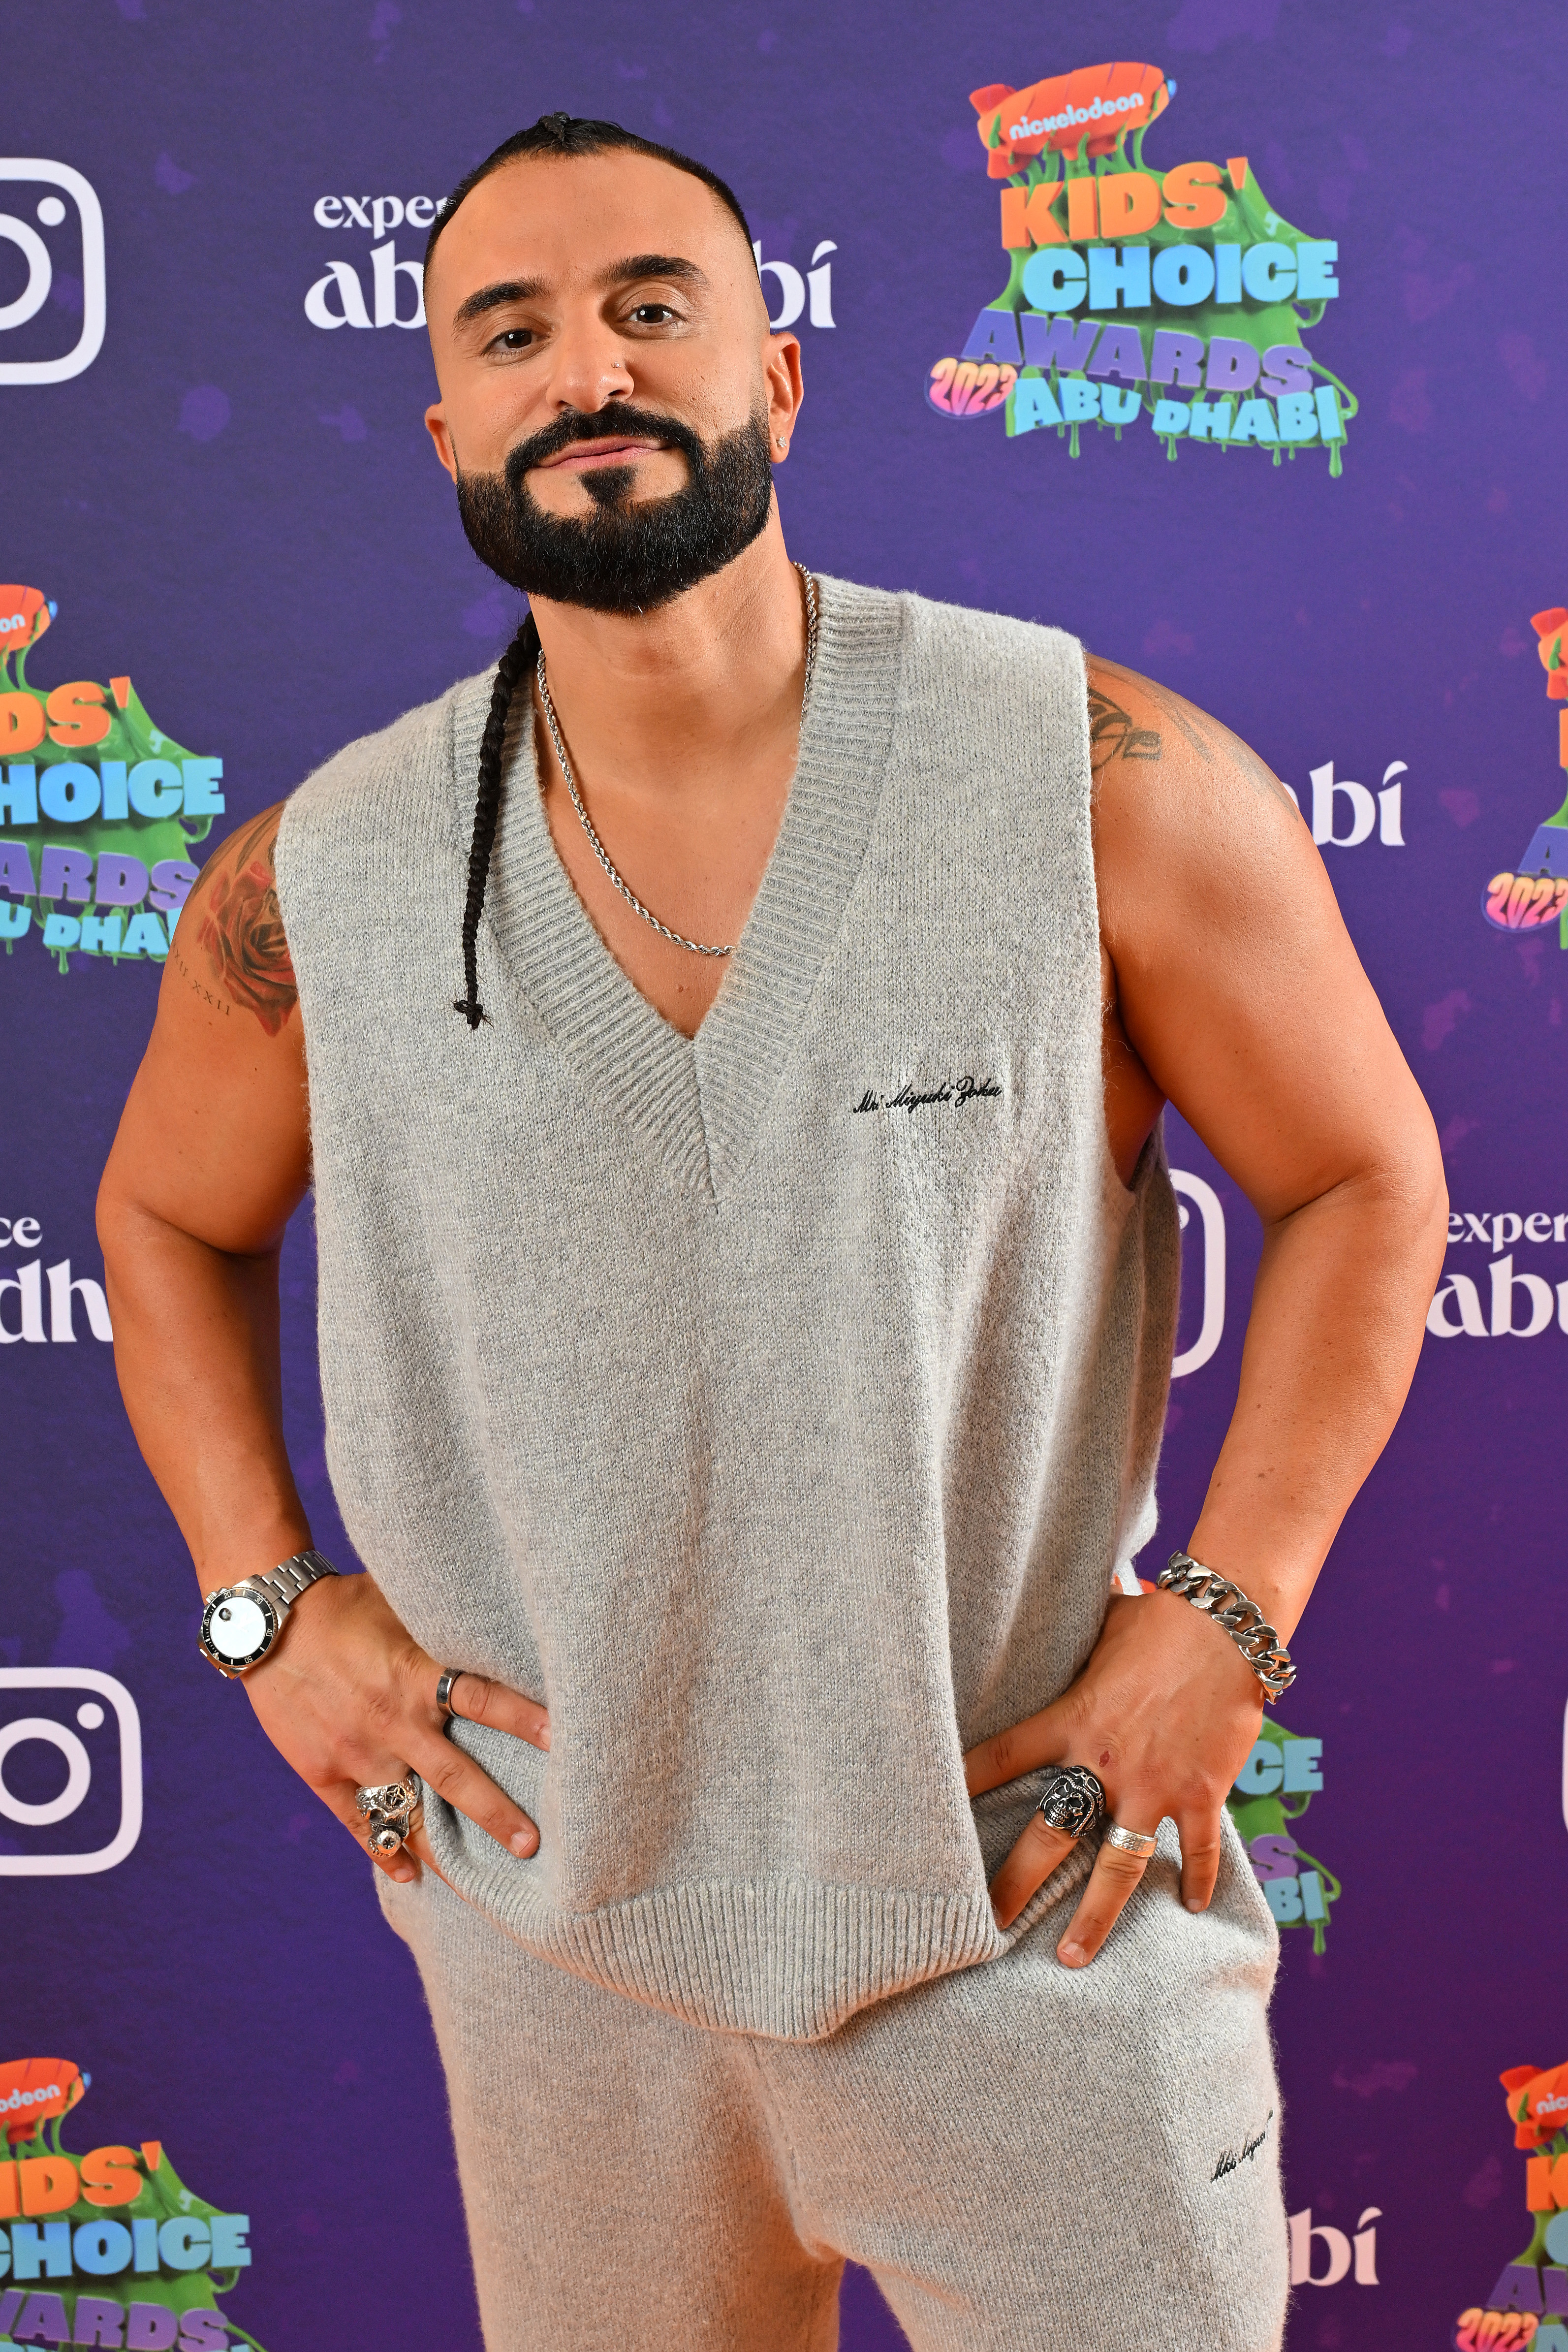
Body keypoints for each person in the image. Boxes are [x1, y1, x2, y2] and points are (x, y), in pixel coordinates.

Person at [97, 113, 1445, 2352]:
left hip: (1035, 1924)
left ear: (778, 378)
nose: (584, 369)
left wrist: (1226, 1607)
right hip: (556, 1960)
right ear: (445, 426)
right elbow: (157, 1212)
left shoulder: (1090, 777)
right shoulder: (315, 875)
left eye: (651, 306)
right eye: (510, 330)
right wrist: (265, 1607)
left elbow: (1360, 1176)